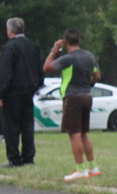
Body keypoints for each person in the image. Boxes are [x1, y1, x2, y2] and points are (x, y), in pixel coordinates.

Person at [43, 29, 103, 181]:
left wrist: (54, 50)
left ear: (65, 42)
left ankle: (80, 169)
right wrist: (89, 84)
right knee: (83, 133)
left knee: (74, 133)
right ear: (79, 40)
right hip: (87, 95)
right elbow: (97, 76)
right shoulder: (89, 56)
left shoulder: (68, 58)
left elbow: (47, 67)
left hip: (72, 97)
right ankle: (93, 167)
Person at [0, 18, 43, 168]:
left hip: (12, 92)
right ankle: (28, 157)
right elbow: (39, 69)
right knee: (27, 126)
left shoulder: (9, 47)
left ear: (10, 30)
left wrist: (0, 95)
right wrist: (36, 85)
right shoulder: (32, 46)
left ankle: (14, 159)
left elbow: (6, 73)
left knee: (11, 127)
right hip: (29, 92)